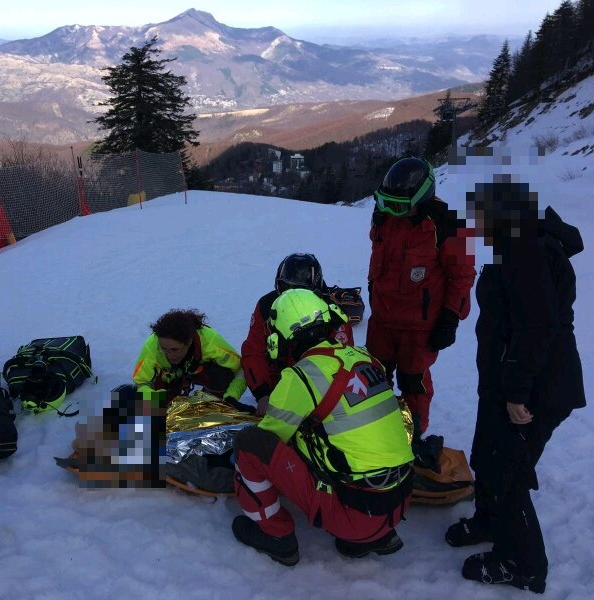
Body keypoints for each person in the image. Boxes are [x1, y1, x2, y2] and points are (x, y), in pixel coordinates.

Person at [445, 180, 585, 594]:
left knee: (506, 470)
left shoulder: (528, 251)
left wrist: (517, 393)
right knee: (485, 454)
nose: (478, 226)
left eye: (483, 218)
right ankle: (491, 521)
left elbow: (537, 327)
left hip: (536, 388)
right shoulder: (519, 245)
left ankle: (522, 564)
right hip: (509, 380)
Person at [231, 289, 413, 566]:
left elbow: (270, 436)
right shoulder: (365, 359)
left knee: (251, 445)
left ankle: (277, 537)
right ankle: (374, 538)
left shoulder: (302, 375)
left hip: (353, 516)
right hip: (397, 505)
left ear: (281, 338)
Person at [367, 157, 475, 434]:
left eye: (400, 206)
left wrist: (450, 317)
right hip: (382, 319)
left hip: (418, 326)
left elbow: (462, 276)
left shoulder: (447, 226)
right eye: (385, 203)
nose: (392, 211)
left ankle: (412, 434)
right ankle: (373, 429)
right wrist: (372, 290)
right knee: (372, 378)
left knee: (412, 381)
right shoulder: (384, 218)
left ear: (422, 197)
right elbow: (379, 260)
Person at [241, 253, 355, 416]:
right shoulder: (266, 308)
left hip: (318, 395)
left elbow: (342, 365)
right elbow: (253, 352)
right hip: (277, 390)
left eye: (298, 290)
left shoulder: (334, 317)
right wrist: (262, 394)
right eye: (285, 288)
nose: (291, 296)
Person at [132, 309, 249, 411]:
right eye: (164, 349)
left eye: (175, 349)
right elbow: (142, 382)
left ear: (189, 342)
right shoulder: (152, 345)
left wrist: (231, 397)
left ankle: (212, 407)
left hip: (202, 375)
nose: (169, 355)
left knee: (221, 374)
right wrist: (155, 398)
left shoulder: (210, 342)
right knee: (129, 394)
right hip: (168, 383)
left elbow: (241, 370)